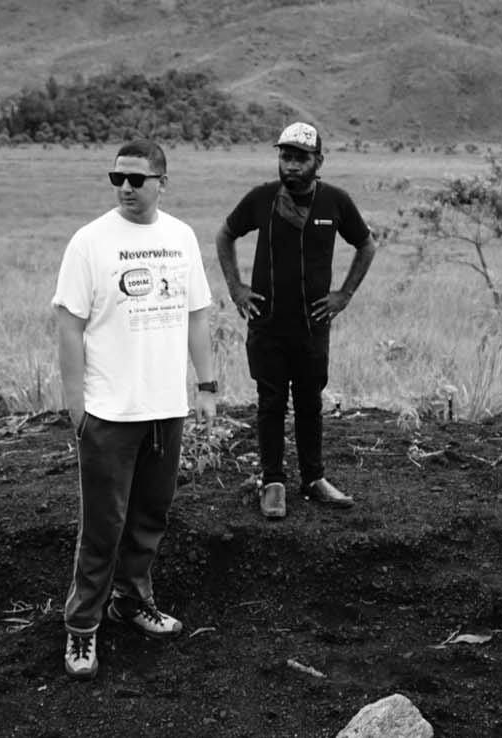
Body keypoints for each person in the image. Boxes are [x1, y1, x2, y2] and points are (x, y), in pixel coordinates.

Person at [52, 139, 218, 680]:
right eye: (117, 178)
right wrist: (76, 403)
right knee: (103, 524)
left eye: (137, 179)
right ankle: (81, 628)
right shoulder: (90, 242)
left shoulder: (181, 237)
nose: (126, 187)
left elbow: (196, 316)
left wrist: (208, 384)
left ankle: (131, 601)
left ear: (161, 182)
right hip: (108, 411)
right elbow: (69, 324)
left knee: (150, 516)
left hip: (165, 407)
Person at [215, 122, 378, 520]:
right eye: (285, 156)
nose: (290, 165)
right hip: (267, 324)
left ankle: (313, 479)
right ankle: (272, 482)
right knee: (270, 403)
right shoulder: (262, 199)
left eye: (300, 158)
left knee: (309, 403)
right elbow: (225, 234)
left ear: (317, 161)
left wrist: (344, 294)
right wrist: (237, 288)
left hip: (312, 326)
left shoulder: (335, 202)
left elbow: (366, 244)